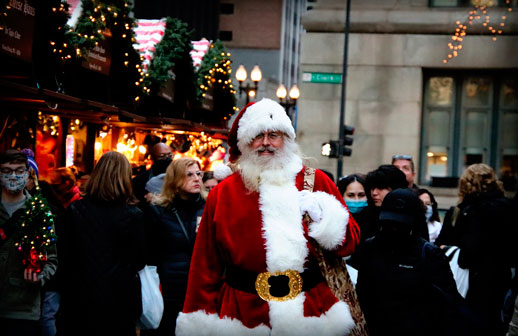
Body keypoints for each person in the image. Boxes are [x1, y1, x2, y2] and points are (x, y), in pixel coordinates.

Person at [176, 98, 360, 335]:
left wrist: (326, 218)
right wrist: (196, 320)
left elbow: (352, 242)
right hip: (243, 317)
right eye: (257, 137)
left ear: (287, 139)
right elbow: (204, 266)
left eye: (274, 135)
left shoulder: (316, 182)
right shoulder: (222, 193)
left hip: (312, 314)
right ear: (245, 143)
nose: (265, 143)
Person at [355, 188, 469, 336]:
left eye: (400, 225)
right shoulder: (370, 248)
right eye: (389, 223)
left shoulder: (428, 254)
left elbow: (448, 304)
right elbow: (363, 294)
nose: (394, 229)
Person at [60, 151, 146, 336]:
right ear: (125, 177)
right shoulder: (134, 215)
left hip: (80, 296)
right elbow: (139, 260)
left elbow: (65, 255)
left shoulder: (75, 210)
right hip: (119, 298)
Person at [435, 163, 515, 335]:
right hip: (501, 280)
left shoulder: (462, 212)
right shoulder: (509, 208)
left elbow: (463, 253)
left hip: (468, 282)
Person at [0, 149, 58, 336]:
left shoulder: (39, 212)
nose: (13, 176)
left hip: (23, 309)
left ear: (27, 174)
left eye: (19, 170)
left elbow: (51, 260)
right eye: (7, 171)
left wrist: (40, 275)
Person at [147, 157, 206, 335]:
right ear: (175, 179)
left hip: (200, 286)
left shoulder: (208, 207)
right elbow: (151, 253)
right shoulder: (159, 210)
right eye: (189, 174)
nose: (196, 178)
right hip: (169, 287)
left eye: (198, 173)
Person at [362, 164, 408, 241]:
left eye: (381, 187)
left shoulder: (409, 216)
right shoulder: (365, 215)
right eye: (372, 188)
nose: (374, 193)